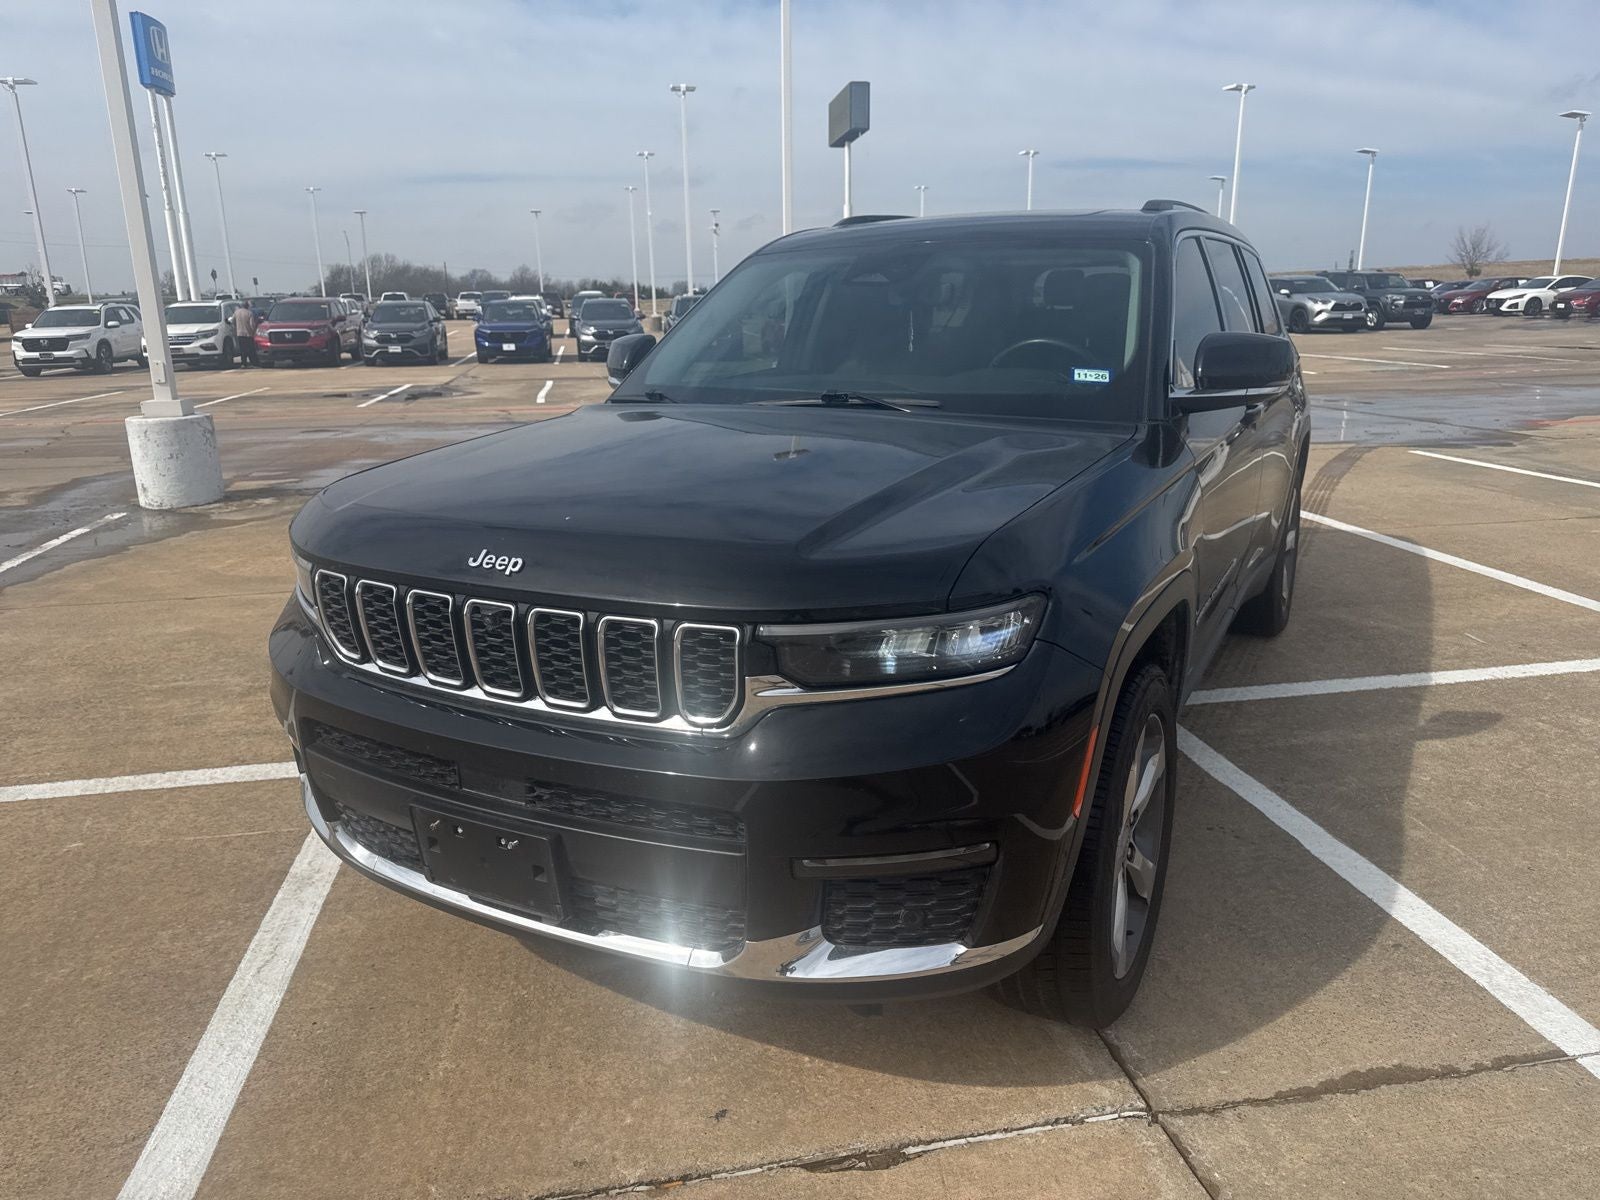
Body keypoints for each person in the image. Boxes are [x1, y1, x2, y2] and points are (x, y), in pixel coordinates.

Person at [231, 300, 258, 366]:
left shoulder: (236, 312)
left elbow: (232, 321)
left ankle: (244, 363)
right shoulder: (249, 313)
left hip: (240, 333)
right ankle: (253, 363)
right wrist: (254, 332)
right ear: (247, 306)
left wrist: (236, 327)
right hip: (248, 334)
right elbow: (252, 324)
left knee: (242, 349)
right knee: (250, 349)